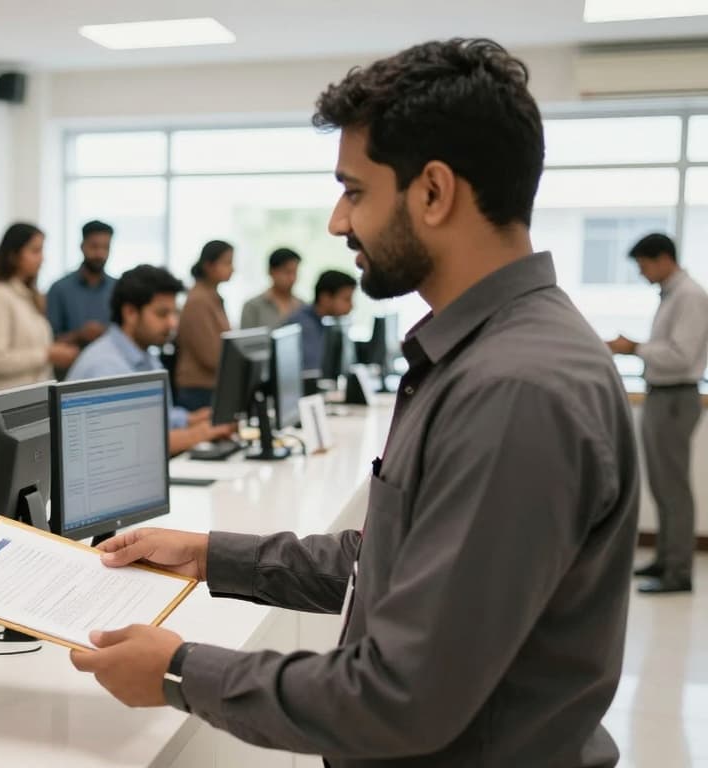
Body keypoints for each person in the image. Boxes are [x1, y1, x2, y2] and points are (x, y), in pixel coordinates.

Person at [70, 39, 638, 767]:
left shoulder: (514, 389)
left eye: (356, 190)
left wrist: (179, 670)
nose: (338, 223)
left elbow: (400, 697)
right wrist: (208, 554)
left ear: (433, 192)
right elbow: (390, 562)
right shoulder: (483, 354)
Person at [607, 232, 708, 594]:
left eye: (644, 264)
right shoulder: (673, 295)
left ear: (664, 258)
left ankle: (678, 572)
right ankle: (666, 559)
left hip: (675, 397)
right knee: (662, 485)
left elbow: (680, 356)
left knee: (673, 487)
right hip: (661, 396)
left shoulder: (691, 297)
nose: (642, 272)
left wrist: (633, 347)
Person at [67, 264, 234, 455]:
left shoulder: (147, 357)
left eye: (174, 313)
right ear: (130, 313)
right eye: (162, 314)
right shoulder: (105, 367)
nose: (172, 323)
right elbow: (133, 445)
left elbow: (156, 418)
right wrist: (203, 432)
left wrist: (191, 419)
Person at [0, 223, 80, 393]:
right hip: (6, 409)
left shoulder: (29, 297)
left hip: (35, 404)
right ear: (14, 255)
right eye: (35, 251)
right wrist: (47, 354)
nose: (42, 259)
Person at [174, 240, 235, 411]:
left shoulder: (212, 296)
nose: (232, 269)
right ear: (209, 265)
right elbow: (211, 356)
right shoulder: (198, 301)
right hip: (198, 390)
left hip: (209, 387)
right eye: (227, 262)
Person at [47, 220, 117, 365]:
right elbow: (48, 341)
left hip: (111, 365)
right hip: (70, 369)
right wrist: (80, 335)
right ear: (82, 246)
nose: (100, 253)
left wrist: (104, 332)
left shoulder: (118, 288)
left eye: (106, 247)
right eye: (94, 246)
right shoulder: (59, 289)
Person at [288, 269, 357, 371]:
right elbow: (314, 370)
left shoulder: (331, 322)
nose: (352, 306)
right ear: (325, 298)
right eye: (346, 299)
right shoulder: (303, 326)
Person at [241, 248, 305, 330]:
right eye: (287, 272)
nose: (292, 278)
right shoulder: (253, 307)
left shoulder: (302, 306)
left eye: (295, 272)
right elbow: (246, 341)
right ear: (271, 272)